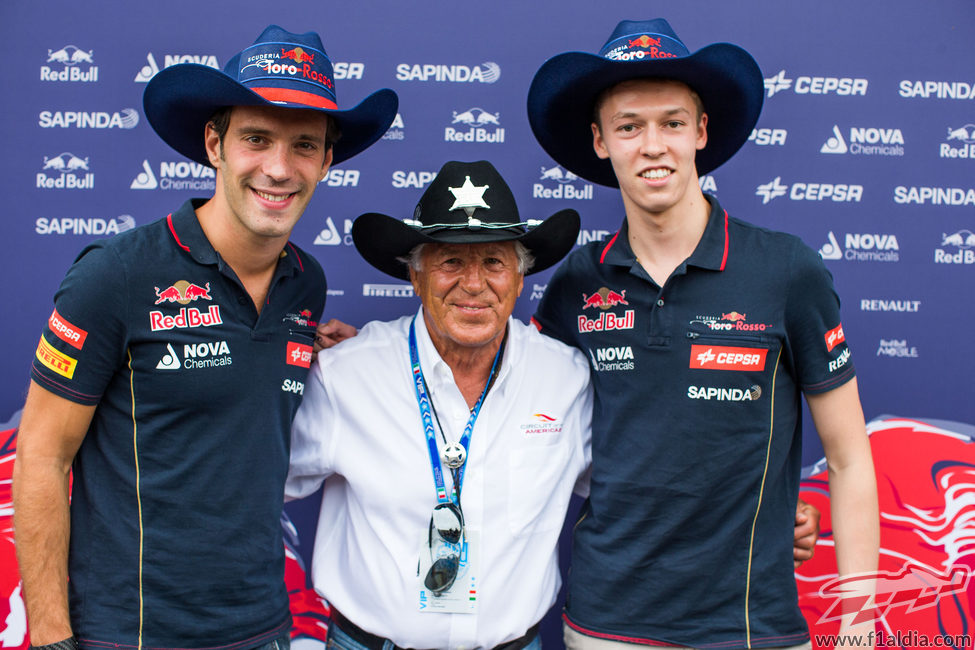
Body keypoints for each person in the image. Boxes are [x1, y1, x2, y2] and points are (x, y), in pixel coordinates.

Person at [13, 25, 396, 650]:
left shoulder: (307, 283)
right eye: (256, 138)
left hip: (263, 626)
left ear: (327, 161)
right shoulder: (117, 274)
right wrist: (52, 638)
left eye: (304, 145)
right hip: (130, 635)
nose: (278, 168)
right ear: (214, 144)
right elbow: (42, 456)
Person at [526, 18, 879, 649]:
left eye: (672, 122)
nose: (653, 144)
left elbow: (851, 458)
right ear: (601, 141)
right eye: (629, 126)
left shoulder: (786, 269)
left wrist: (859, 628)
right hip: (605, 626)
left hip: (749, 627)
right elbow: (520, 425)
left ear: (701, 133)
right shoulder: (578, 280)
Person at [286, 160, 590, 649]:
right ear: (416, 277)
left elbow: (630, 495)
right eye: (451, 262)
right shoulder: (347, 375)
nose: (473, 284)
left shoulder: (568, 380)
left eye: (493, 262)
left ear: (519, 278)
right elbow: (248, 494)